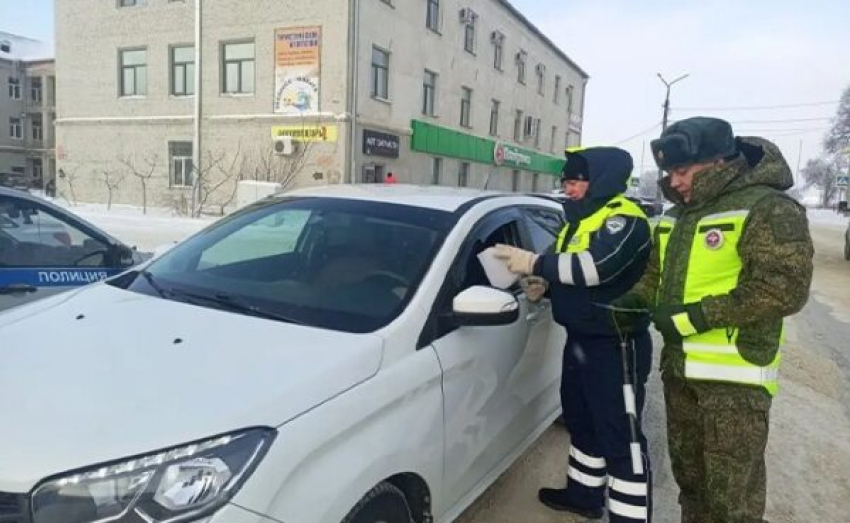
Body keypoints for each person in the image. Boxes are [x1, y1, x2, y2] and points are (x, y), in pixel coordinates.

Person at [613, 117, 814, 523]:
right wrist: (636, 300)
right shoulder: (677, 215)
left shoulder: (767, 207)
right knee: (692, 487)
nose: (674, 181)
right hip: (680, 373)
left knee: (731, 504)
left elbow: (784, 288)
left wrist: (697, 316)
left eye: (682, 170)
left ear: (719, 162)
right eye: (669, 172)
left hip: (734, 386)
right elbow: (655, 273)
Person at [494, 146, 654, 522]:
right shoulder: (577, 222)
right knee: (582, 422)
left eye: (575, 181)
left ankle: (629, 518)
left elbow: (595, 268)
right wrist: (543, 285)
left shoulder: (624, 220)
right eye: (565, 180)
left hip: (616, 345)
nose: (567, 188)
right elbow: (566, 273)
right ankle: (584, 496)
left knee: (621, 438)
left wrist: (533, 262)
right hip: (582, 339)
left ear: (600, 180)